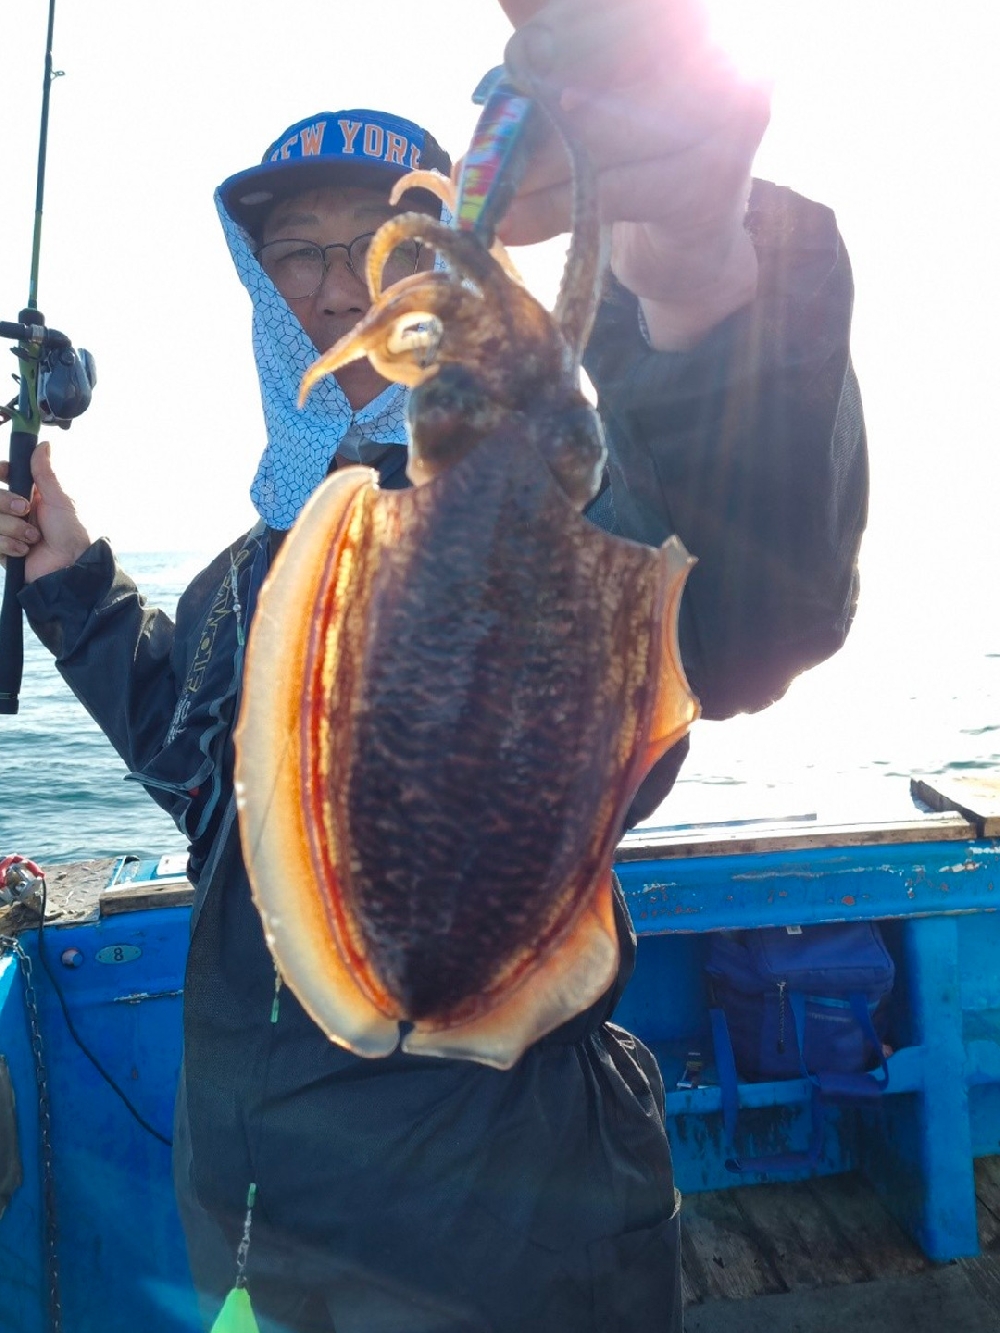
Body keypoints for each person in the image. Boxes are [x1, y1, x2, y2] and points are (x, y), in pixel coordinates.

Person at [0, 0, 868, 1328]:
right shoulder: (258, 572)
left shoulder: (565, 501)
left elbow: (751, 595)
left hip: (506, 1233)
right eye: (297, 253)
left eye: (374, 244)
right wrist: (64, 575)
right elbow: (213, 786)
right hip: (249, 1227)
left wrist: (697, 269)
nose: (339, 283)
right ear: (257, 283)